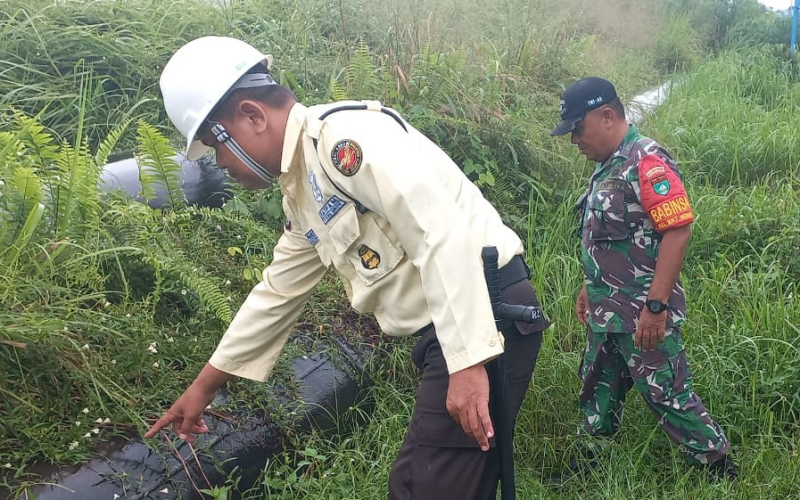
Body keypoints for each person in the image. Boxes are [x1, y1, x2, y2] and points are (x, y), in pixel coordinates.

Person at [144, 36, 550, 500]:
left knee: (424, 487)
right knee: (449, 485)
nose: (219, 163)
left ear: (253, 116)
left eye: (216, 144)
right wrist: (203, 387)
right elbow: (278, 293)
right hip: (458, 328)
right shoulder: (303, 186)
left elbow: (440, 230)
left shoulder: (343, 141)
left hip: (482, 314)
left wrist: (468, 362)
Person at [550, 76, 737, 482]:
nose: (574, 140)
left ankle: (718, 467)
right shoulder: (608, 165)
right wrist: (590, 284)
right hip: (607, 310)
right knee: (597, 386)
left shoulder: (645, 160)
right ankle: (590, 464)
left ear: (607, 115)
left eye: (577, 129)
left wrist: (656, 306)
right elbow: (611, 236)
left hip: (641, 314)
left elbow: (677, 229)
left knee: (666, 391)